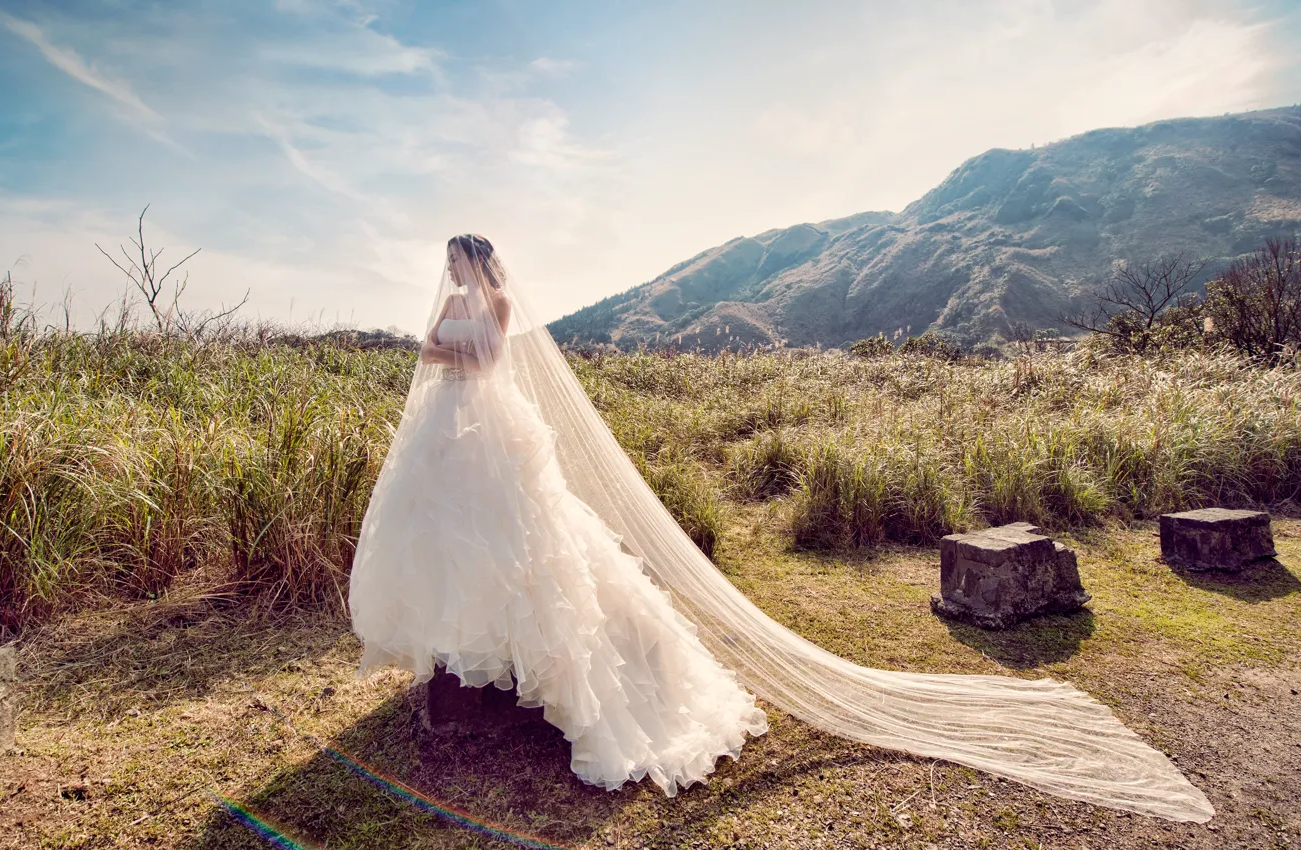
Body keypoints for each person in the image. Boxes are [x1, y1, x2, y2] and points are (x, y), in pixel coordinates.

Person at [349, 234, 1214, 822]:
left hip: (490, 427)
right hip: (451, 436)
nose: (453, 275)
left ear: (479, 263)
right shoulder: (457, 307)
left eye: (459, 263)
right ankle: (465, 654)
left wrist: (448, 347)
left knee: (525, 540)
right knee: (453, 538)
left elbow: (474, 354)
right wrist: (441, 347)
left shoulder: (495, 307)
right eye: (449, 267)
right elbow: (431, 344)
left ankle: (538, 669)